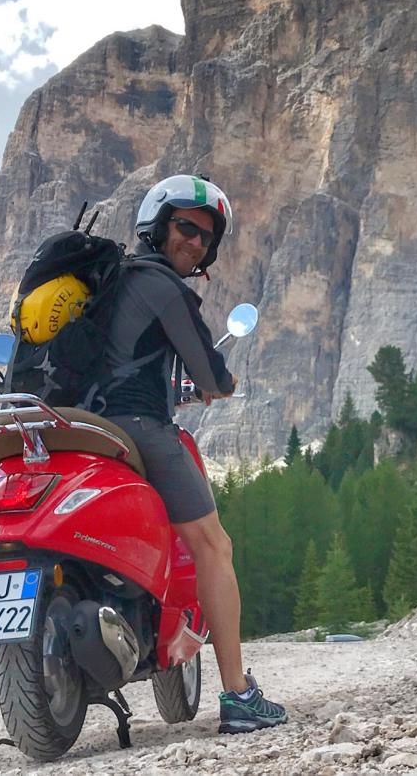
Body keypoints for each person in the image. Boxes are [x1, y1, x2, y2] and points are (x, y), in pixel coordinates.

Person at [101, 174, 287, 735]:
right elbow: (210, 370)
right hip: (135, 426)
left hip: (71, 424)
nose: (195, 243)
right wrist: (218, 384)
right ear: (156, 226)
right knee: (213, 544)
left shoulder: (105, 285)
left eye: (206, 237)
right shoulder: (162, 286)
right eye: (185, 227)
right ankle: (238, 696)